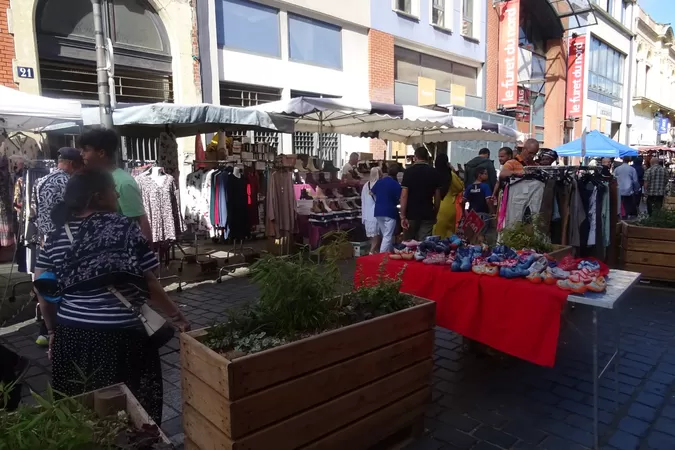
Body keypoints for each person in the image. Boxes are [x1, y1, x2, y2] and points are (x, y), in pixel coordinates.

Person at [33, 169, 190, 424]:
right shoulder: (124, 228)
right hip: (121, 338)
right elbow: (150, 282)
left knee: (80, 411)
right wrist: (176, 315)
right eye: (111, 189)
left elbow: (42, 290)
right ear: (98, 196)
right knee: (130, 410)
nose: (117, 193)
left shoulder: (55, 236)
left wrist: (52, 332)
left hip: (72, 336)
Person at [33, 147, 84, 347]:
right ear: (71, 164)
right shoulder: (68, 182)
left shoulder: (39, 182)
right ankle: (64, 330)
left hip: (48, 240)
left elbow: (38, 213)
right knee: (68, 286)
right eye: (77, 166)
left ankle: (47, 331)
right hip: (67, 240)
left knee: (46, 285)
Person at [78, 128, 152, 242]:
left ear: (101, 153)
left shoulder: (124, 182)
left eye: (86, 150)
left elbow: (140, 222)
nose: (81, 154)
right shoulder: (89, 179)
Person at [399, 147, 441, 241]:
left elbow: (404, 195)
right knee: (423, 245)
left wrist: (402, 216)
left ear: (415, 157)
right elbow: (437, 197)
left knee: (408, 245)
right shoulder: (434, 173)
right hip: (427, 213)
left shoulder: (408, 172)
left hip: (411, 214)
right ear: (427, 157)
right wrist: (435, 212)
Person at [371, 165, 402, 252]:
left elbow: (371, 192)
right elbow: (401, 198)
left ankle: (389, 251)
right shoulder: (396, 184)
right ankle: (381, 256)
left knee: (385, 234)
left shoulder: (379, 182)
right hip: (390, 211)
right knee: (388, 235)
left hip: (378, 211)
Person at [433, 153, 464, 238]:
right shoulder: (451, 175)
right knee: (450, 237)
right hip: (450, 208)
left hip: (437, 206)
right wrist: (453, 171)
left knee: (437, 237)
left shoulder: (433, 174)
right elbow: (460, 187)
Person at [361, 167, 382, 254]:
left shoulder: (366, 185)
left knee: (372, 236)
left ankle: (374, 251)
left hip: (367, 213)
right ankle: (372, 251)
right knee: (377, 235)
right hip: (376, 213)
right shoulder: (379, 184)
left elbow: (363, 199)